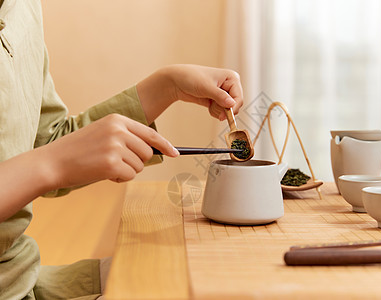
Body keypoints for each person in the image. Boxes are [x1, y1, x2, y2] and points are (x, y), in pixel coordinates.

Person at [0, 0, 244, 299]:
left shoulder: (23, 6)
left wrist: (167, 87)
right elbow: (45, 160)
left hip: (23, 279)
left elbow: (41, 145)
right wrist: (51, 164)